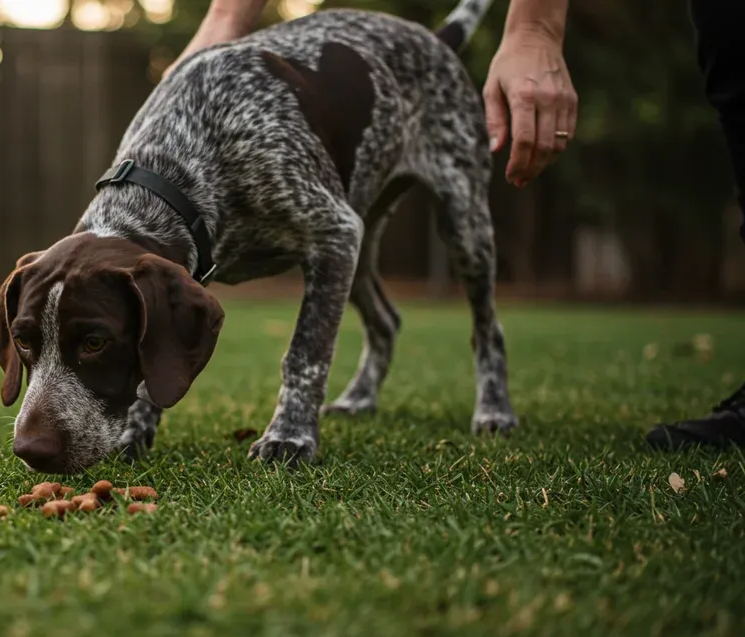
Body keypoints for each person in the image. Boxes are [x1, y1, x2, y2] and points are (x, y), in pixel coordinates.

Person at [167, 0, 745, 449]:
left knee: (468, 245)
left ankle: (490, 365)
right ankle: (374, 364)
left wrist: (535, 29)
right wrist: (224, 16)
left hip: (431, 89)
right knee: (347, 245)